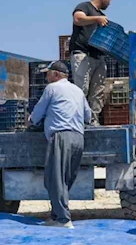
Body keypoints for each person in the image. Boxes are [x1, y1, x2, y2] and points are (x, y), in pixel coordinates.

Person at [28, 61, 92, 229]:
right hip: (78, 138)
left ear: (56, 75)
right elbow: (88, 115)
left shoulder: (52, 89)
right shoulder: (78, 91)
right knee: (65, 180)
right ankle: (56, 216)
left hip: (61, 137)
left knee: (54, 179)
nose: (46, 76)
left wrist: (31, 120)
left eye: (48, 73)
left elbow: (38, 112)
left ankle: (63, 219)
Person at [70, 0, 112, 126]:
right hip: (83, 55)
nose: (110, 3)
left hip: (98, 57)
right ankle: (79, 121)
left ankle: (93, 122)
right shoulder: (85, 6)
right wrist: (97, 19)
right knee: (82, 90)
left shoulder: (100, 15)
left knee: (97, 92)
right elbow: (78, 18)